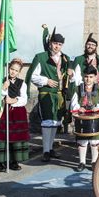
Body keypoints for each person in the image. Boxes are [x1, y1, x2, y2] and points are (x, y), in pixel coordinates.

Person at [26, 28, 71, 162]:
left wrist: (71, 74)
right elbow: (32, 76)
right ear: (50, 43)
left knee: (55, 123)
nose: (57, 46)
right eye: (55, 43)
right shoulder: (41, 57)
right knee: (47, 122)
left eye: (60, 44)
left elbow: (68, 77)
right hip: (46, 94)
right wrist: (46, 81)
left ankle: (50, 148)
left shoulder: (65, 58)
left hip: (59, 95)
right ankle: (45, 150)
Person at [0, 58, 30, 172]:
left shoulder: (22, 84)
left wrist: (14, 100)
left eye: (16, 70)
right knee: (2, 136)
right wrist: (2, 88)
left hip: (18, 113)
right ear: (8, 68)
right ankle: (0, 161)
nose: (13, 72)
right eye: (11, 69)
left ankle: (14, 161)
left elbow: (24, 99)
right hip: (4, 112)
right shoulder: (3, 81)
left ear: (19, 71)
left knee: (16, 138)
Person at [70, 65, 99, 172]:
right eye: (86, 77)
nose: (88, 79)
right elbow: (73, 103)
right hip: (82, 118)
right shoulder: (78, 88)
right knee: (82, 140)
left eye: (90, 77)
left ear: (95, 77)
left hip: (95, 119)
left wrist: (97, 107)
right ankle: (82, 162)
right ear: (83, 77)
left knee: (94, 140)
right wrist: (78, 108)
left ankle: (94, 161)